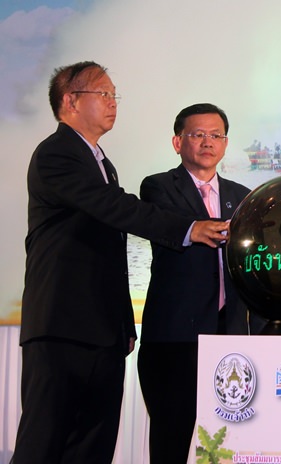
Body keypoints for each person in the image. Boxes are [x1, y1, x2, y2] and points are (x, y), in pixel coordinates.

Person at [13, 62, 228, 464]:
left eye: (115, 96)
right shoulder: (57, 153)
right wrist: (190, 228)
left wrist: (123, 324)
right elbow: (115, 209)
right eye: (104, 95)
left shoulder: (101, 162)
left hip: (102, 333)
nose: (113, 104)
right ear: (71, 101)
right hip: (62, 327)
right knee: (45, 442)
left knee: (92, 446)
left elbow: (109, 252)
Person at [137, 103, 262, 463]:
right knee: (171, 440)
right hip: (176, 336)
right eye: (198, 134)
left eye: (216, 135)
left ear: (225, 144)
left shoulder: (242, 196)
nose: (208, 142)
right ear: (178, 142)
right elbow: (174, 225)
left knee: (230, 445)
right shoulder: (159, 187)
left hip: (231, 335)